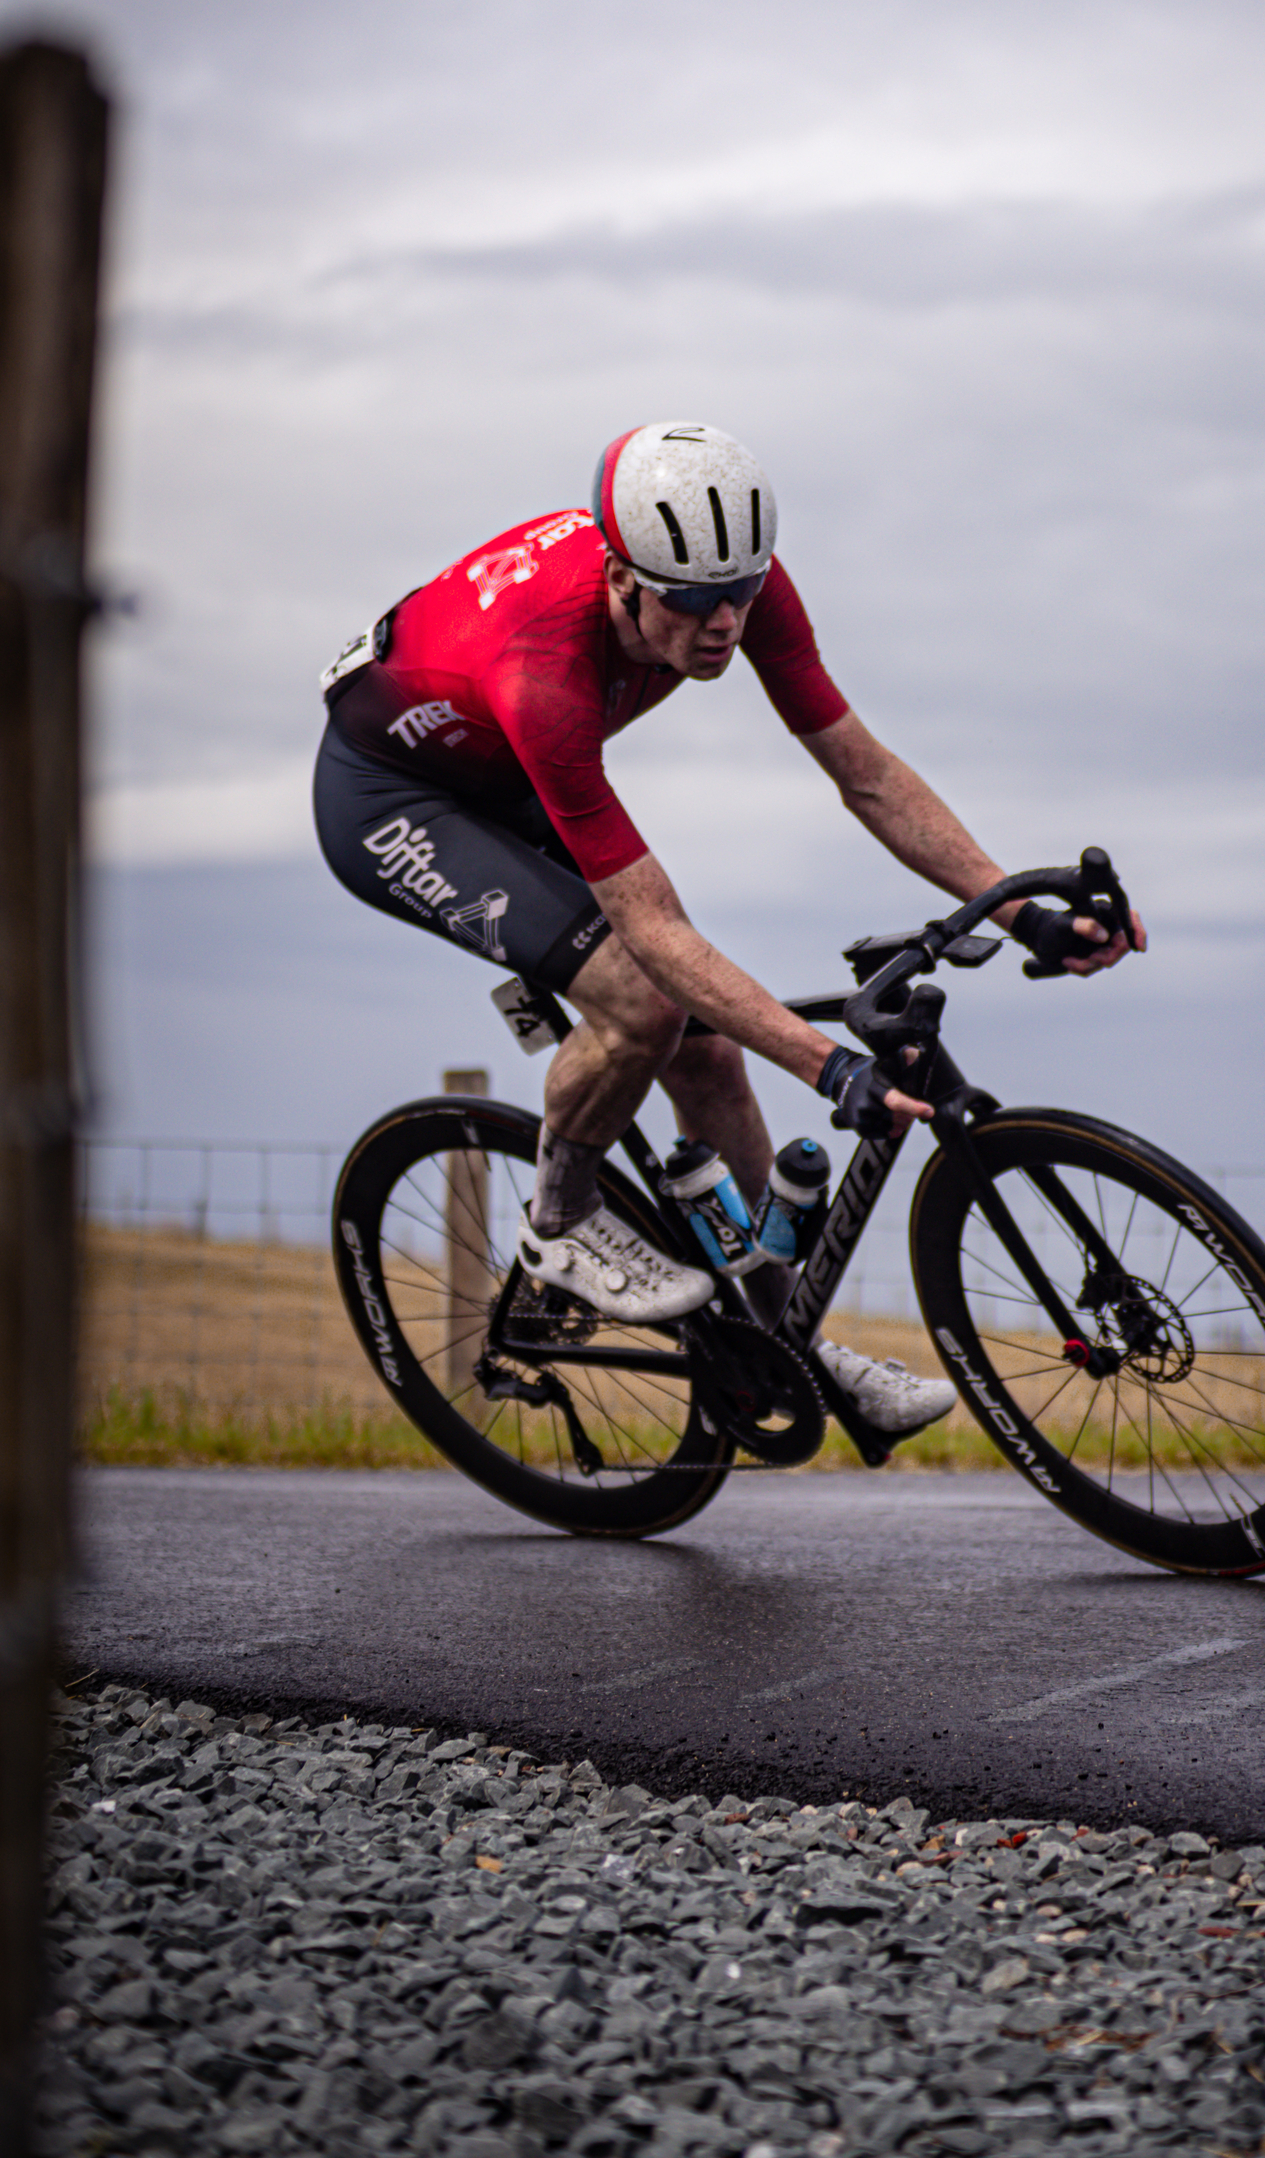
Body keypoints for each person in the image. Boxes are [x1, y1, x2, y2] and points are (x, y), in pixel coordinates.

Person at [314, 421, 1144, 1435]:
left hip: (509, 779)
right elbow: (653, 930)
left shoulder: (741, 582)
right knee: (643, 1001)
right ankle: (561, 1223)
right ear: (622, 578)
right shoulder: (545, 667)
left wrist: (1029, 917)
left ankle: (788, 1348)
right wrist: (825, 1066)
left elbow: (865, 774)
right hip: (395, 798)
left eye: (739, 596)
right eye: (695, 603)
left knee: (708, 1057)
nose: (723, 624)